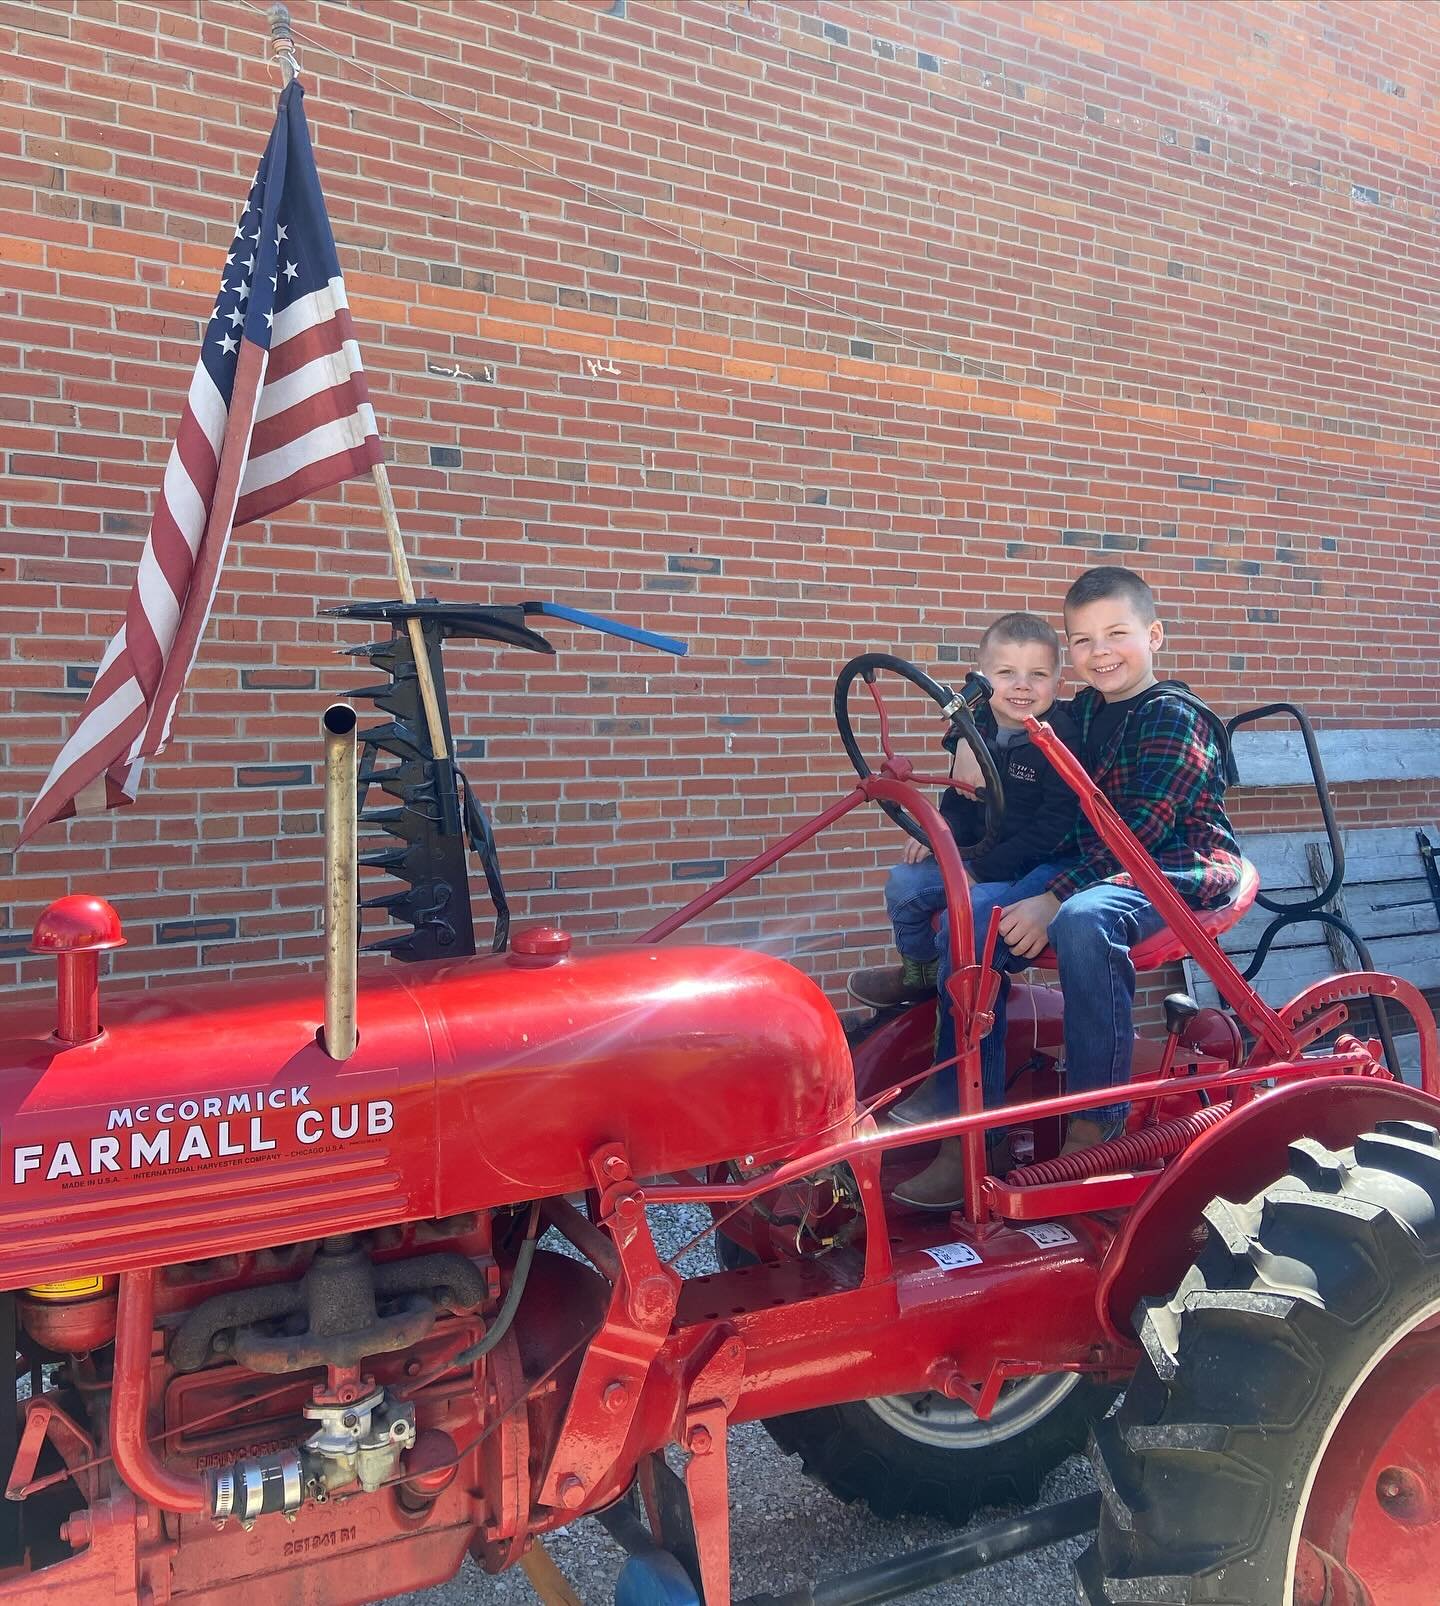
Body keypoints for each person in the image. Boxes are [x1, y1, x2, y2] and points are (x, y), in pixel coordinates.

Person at [897, 565, 1243, 1208]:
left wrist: (1053, 895)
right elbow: (993, 696)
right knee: (972, 921)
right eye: (1082, 641)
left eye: (1116, 633)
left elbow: (1138, 834)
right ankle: (972, 1129)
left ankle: (1098, 1124)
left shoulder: (1172, 718)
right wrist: (963, 748)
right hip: (1091, 861)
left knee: (1084, 920)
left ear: (1155, 635)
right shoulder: (1082, 710)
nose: (1099, 652)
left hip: (1172, 867)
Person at [848, 613, 1081, 1164]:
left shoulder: (1059, 738)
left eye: (1038, 675)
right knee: (905, 884)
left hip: (1043, 863)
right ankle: (923, 975)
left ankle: (966, 1103)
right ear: (980, 676)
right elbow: (959, 798)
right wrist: (943, 836)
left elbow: (1055, 827)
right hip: (980, 856)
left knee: (967, 913)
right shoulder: (970, 724)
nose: (1022, 686)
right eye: (1006, 672)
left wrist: (976, 868)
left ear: (1058, 681)